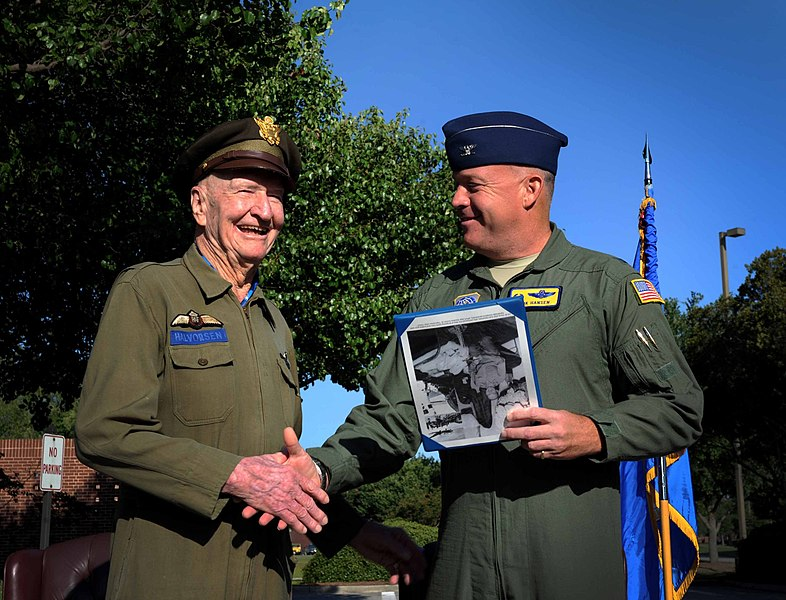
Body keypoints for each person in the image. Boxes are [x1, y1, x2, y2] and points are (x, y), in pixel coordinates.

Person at [287, 111, 704, 599]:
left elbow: (680, 407)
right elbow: (392, 418)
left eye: (472, 186)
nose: (456, 200)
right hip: (464, 569)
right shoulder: (437, 296)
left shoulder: (606, 286)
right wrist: (320, 468)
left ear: (530, 189)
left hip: (572, 570)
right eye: (457, 186)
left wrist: (593, 433)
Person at [75, 115, 423, 599]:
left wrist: (357, 533)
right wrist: (235, 477)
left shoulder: (276, 324)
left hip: (266, 583)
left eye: (276, 196)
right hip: (172, 582)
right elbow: (103, 431)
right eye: (245, 191)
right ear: (200, 205)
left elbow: (282, 475)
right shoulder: (148, 291)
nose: (264, 211)